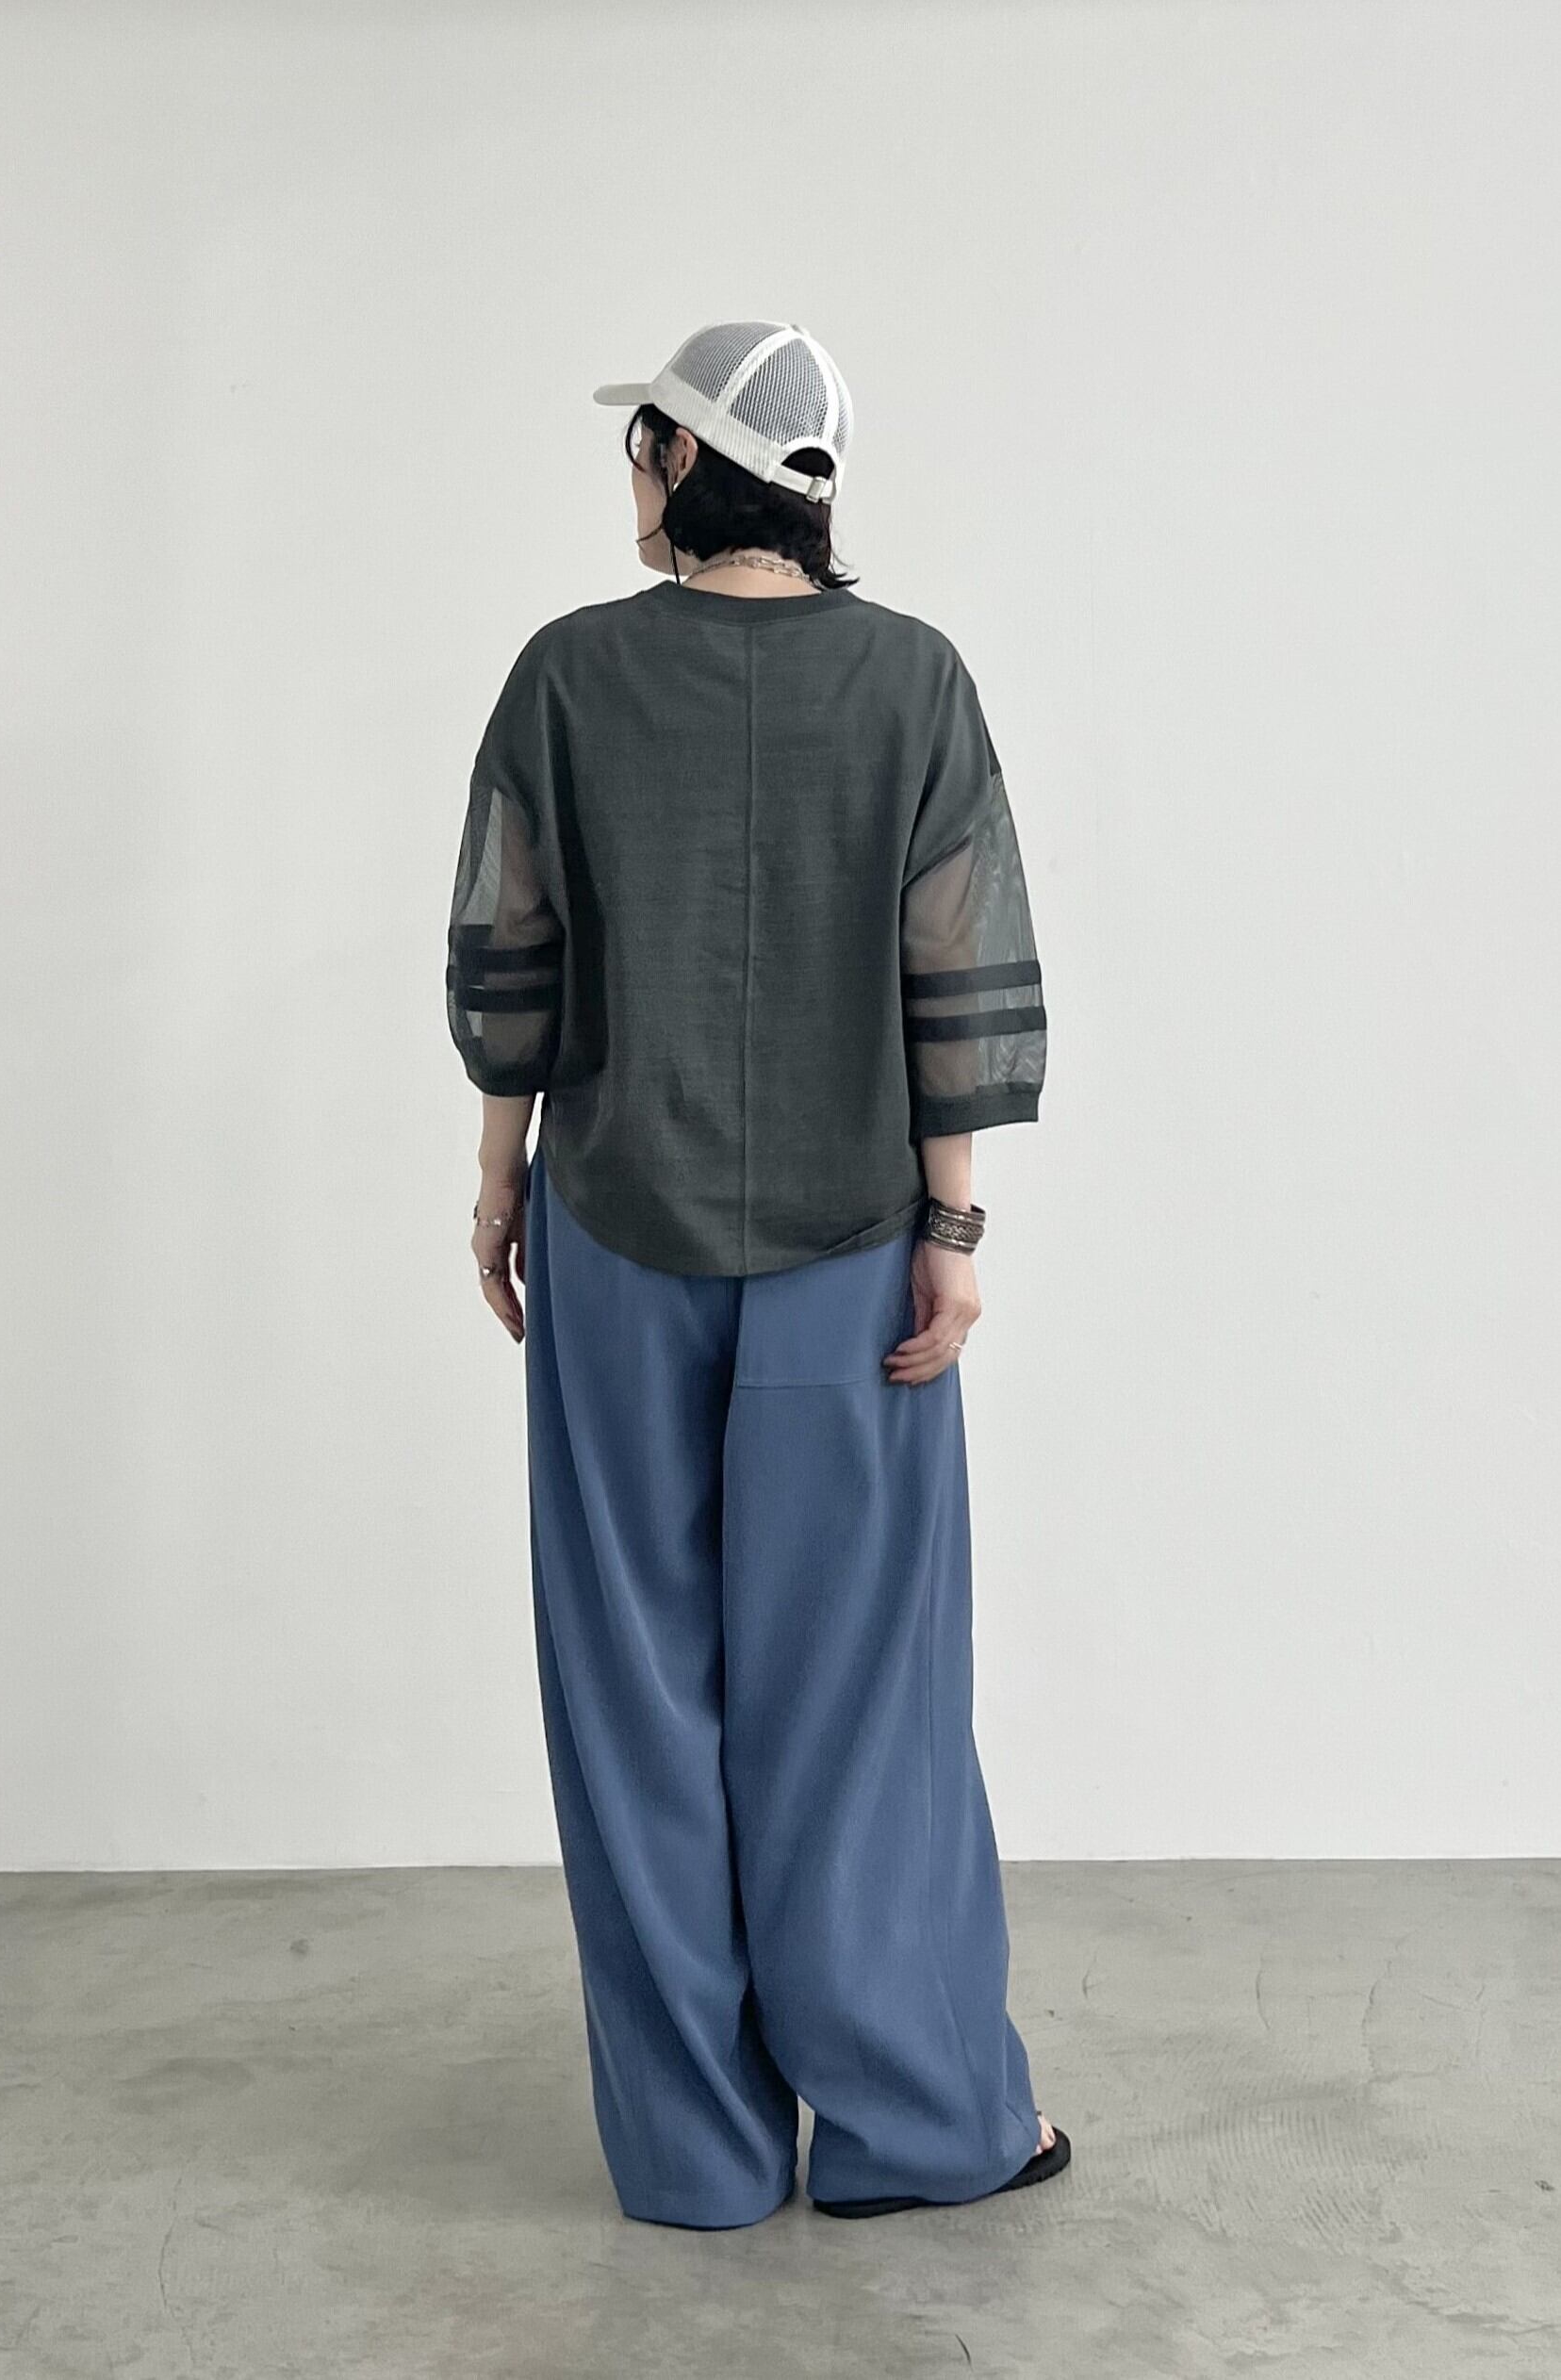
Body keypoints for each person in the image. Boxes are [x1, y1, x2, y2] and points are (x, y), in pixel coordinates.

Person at [445, 320, 1069, 2229]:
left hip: (614, 1234)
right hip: (851, 1255)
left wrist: (501, 1176)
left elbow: (509, 956)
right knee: (863, 1694)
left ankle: (696, 2156)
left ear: (673, 458)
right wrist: (952, 1232)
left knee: (635, 1688)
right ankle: (917, 2127)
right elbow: (956, 973)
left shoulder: (567, 675)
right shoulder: (912, 679)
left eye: (635, 447)